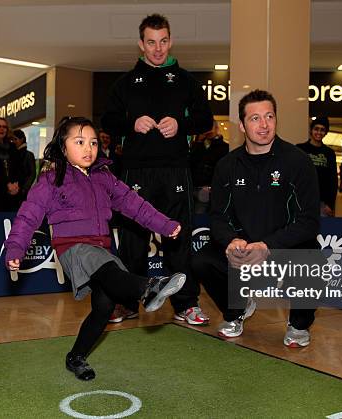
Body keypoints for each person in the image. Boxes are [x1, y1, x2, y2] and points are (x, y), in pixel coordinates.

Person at [4, 117, 185, 380]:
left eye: (93, 142)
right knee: (105, 264)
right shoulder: (50, 179)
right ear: (62, 147)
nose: (89, 148)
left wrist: (165, 225)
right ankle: (149, 288)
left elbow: (134, 204)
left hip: (101, 249)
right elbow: (27, 216)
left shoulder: (105, 177)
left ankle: (75, 357)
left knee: (102, 307)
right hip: (73, 249)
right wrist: (15, 250)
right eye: (79, 142)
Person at [102, 13, 213, 325]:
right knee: (133, 240)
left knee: (178, 238)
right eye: (151, 42)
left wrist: (181, 124)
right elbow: (108, 120)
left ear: (170, 41)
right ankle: (126, 303)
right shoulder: (125, 83)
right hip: (136, 171)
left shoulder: (186, 80)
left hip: (176, 169)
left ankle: (185, 304)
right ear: (141, 44)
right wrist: (131, 124)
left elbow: (205, 120)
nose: (158, 48)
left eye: (163, 41)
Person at [191, 90, 320, 346]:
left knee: (312, 257)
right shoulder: (227, 165)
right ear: (242, 125)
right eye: (255, 118)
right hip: (243, 248)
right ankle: (236, 310)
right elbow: (217, 216)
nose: (264, 125)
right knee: (200, 260)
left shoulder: (298, 161)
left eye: (269, 116)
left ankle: (299, 326)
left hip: (283, 247)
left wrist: (268, 246)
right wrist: (231, 241)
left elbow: (309, 221)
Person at [297, 117, 338, 217]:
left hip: (323, 203)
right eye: (316, 129)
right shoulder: (299, 149)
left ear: (326, 133)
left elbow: (333, 180)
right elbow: (294, 174)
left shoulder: (329, 153)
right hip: (302, 200)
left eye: (322, 130)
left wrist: (330, 204)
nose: (319, 132)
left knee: (322, 231)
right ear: (311, 130)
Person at [11, 129, 37, 203]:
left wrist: (24, 189)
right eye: (12, 139)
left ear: (22, 139)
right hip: (13, 190)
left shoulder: (28, 155)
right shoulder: (12, 153)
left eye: (15, 139)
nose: (13, 141)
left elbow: (32, 174)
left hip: (22, 191)